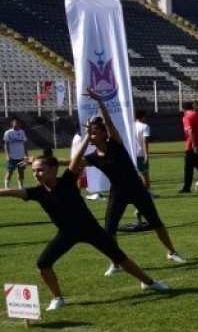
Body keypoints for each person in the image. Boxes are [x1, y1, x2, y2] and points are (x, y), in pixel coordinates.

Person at [0, 147, 171, 311]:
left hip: (91, 229)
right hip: (67, 234)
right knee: (43, 264)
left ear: (53, 169)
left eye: (40, 170)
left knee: (120, 258)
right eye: (33, 171)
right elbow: (10, 192)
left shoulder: (67, 180)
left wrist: (88, 137)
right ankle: (57, 299)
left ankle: (149, 282)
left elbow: (76, 159)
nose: (36, 174)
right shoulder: (37, 192)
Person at [82, 89, 186, 271]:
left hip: (137, 188)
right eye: (89, 132)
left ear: (104, 133)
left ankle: (171, 252)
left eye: (94, 131)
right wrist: (43, 161)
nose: (91, 134)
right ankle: (115, 262)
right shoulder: (93, 157)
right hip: (118, 192)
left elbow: (108, 122)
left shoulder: (115, 143)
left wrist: (99, 101)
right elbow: (71, 163)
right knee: (109, 229)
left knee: (156, 222)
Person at [4, 117, 29, 189]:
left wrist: (26, 155)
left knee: (21, 171)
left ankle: (21, 187)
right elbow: (6, 145)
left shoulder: (22, 132)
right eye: (15, 122)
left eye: (18, 122)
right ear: (12, 123)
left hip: (21, 157)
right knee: (10, 171)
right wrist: (7, 155)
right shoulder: (8, 132)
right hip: (12, 157)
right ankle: (7, 188)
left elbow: (24, 144)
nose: (17, 124)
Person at [133, 109, 152, 193]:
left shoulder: (131, 126)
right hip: (140, 153)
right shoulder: (144, 126)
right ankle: (147, 192)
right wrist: (146, 154)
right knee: (145, 174)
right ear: (143, 117)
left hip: (132, 153)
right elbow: (145, 141)